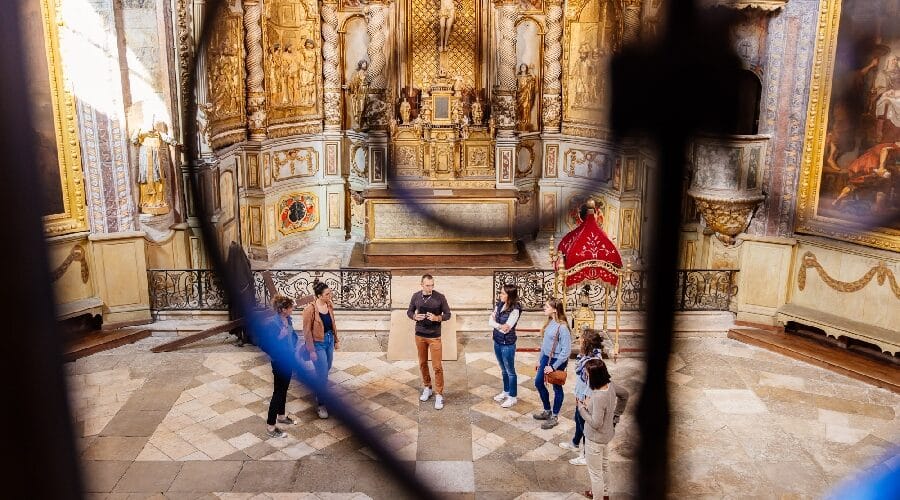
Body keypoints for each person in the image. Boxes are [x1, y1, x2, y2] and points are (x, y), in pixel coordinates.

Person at [578, 358, 629, 500]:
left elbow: (595, 423)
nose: (586, 376)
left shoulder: (599, 396)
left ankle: (598, 496)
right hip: (607, 435)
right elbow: (625, 394)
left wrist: (582, 409)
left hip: (595, 439)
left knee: (595, 474)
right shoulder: (610, 385)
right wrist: (616, 414)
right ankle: (605, 494)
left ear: (594, 376)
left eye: (587, 374)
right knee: (605, 466)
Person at [559, 328, 608, 465]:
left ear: (586, 342)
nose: (578, 339)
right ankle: (575, 443)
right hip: (580, 393)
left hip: (586, 398)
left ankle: (586, 456)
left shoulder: (593, 360)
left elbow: (593, 383)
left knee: (585, 425)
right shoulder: (586, 355)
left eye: (581, 338)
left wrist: (585, 400)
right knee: (578, 419)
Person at [407, 274, 452, 410]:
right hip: (419, 335)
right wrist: (415, 316)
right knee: (422, 363)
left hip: (434, 337)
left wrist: (436, 318)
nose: (430, 288)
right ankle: (427, 387)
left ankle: (439, 394)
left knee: (437, 367)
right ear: (421, 284)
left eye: (432, 285)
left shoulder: (440, 297)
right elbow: (409, 311)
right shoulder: (416, 296)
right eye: (427, 285)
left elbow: (448, 314)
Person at [302, 282, 341, 419]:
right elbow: (306, 332)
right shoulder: (310, 310)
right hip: (318, 343)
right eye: (327, 294)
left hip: (329, 340)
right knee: (322, 370)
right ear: (319, 295)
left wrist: (336, 340)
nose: (330, 295)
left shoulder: (329, 305)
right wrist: (311, 350)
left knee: (327, 367)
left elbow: (333, 323)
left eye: (330, 293)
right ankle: (321, 404)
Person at [262, 295, 299, 438]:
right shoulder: (273, 324)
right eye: (290, 307)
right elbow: (266, 345)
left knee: (284, 389)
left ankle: (282, 417)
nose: (292, 309)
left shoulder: (287, 319)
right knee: (278, 392)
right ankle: (270, 427)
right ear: (283, 309)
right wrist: (279, 337)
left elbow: (292, 336)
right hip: (279, 362)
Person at [532, 298, 571, 429]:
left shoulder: (563, 327)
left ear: (555, 309)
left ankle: (554, 416)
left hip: (557, 361)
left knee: (557, 387)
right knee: (538, 382)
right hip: (546, 358)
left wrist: (553, 366)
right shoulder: (549, 322)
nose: (544, 308)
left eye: (546, 306)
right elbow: (545, 345)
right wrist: (540, 359)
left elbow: (566, 351)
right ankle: (547, 410)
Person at [490, 284, 522, 408]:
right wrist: (498, 325)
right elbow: (490, 321)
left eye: (503, 293)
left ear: (509, 296)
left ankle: (512, 397)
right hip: (497, 341)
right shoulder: (499, 305)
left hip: (507, 344)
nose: (500, 295)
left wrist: (496, 325)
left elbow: (507, 329)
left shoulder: (515, 309)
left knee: (510, 371)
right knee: (503, 370)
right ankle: (506, 391)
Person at [516, 63, 536, 131]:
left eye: (524, 66)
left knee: (525, 108)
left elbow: (533, 79)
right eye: (522, 66)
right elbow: (514, 85)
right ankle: (519, 122)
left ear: (526, 68)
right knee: (519, 109)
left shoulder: (528, 77)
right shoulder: (518, 76)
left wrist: (532, 70)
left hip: (526, 94)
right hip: (519, 95)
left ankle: (525, 123)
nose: (523, 67)